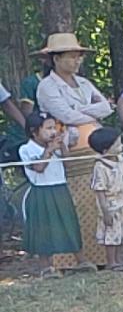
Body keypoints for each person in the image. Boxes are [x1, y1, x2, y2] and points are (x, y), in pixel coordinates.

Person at [21, 113, 84, 271]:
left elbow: (68, 164)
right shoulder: (26, 149)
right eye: (48, 128)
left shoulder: (56, 146)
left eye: (54, 128)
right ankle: (46, 266)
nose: (53, 132)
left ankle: (81, 261)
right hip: (42, 191)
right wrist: (49, 150)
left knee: (69, 223)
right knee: (43, 228)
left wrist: (62, 146)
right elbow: (39, 168)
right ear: (34, 131)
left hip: (60, 188)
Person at [87, 127, 123, 270]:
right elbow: (100, 191)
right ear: (105, 150)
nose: (121, 146)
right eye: (117, 144)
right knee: (111, 234)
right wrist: (105, 211)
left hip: (122, 203)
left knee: (120, 233)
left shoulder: (120, 160)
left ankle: (118, 259)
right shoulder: (100, 167)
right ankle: (111, 261)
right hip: (110, 205)